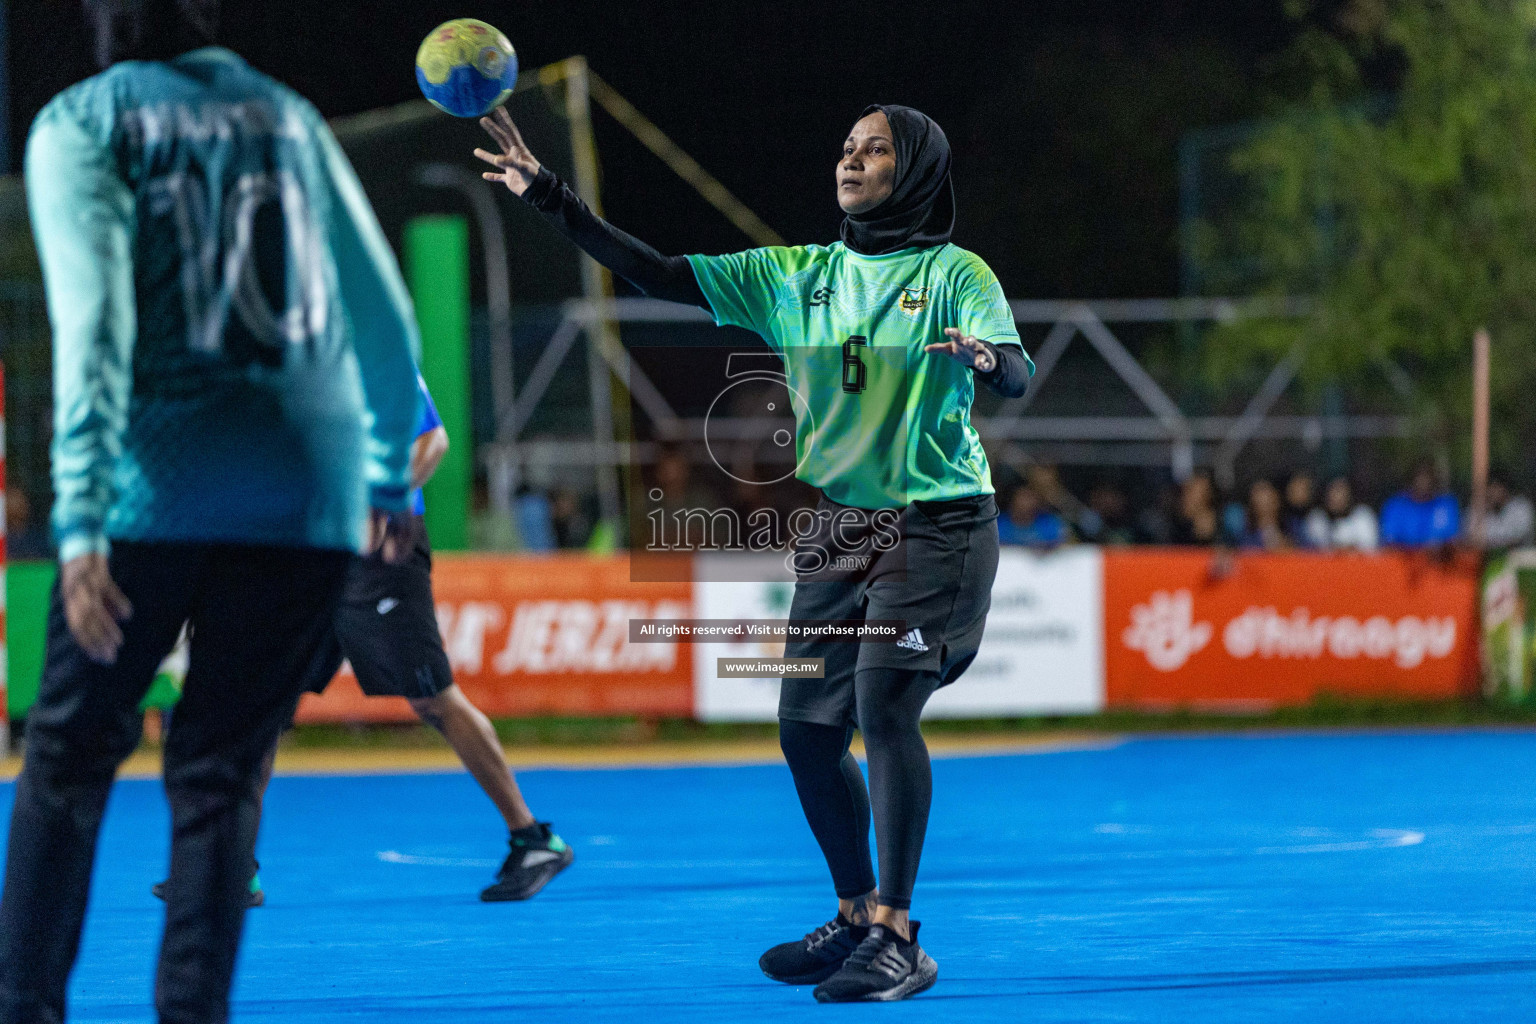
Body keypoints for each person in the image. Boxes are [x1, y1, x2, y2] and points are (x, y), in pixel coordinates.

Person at [477, 102, 1031, 1002]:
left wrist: (985, 359)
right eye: (846, 145)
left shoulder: (951, 272)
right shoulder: (794, 275)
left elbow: (1018, 367)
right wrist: (551, 197)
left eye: (875, 148)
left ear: (917, 168)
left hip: (938, 523)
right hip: (842, 525)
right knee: (807, 732)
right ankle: (856, 916)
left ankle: (899, 935)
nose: (851, 159)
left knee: (885, 709)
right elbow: (653, 273)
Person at [0, 5, 422, 1022]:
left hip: (156, 483)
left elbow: (95, 322)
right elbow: (385, 315)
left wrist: (86, 519)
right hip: (305, 498)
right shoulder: (288, 114)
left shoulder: (83, 118)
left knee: (66, 759)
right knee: (222, 776)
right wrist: (379, 485)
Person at [150, 373, 573, 908]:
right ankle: (234, 866)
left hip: (381, 551)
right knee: (259, 702)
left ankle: (534, 839)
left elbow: (432, 442)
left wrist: (378, 503)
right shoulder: (280, 358)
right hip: (309, 548)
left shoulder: (369, 344)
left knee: (432, 697)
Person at [1379, 462, 1460, 549]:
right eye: (1420, 477)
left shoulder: (1446, 505)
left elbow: (1453, 540)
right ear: (1411, 480)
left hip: (1437, 560)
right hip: (1402, 560)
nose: (1424, 482)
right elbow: (1389, 541)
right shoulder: (1396, 505)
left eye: (1428, 477)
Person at [1303, 476, 1379, 551]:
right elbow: (1310, 551)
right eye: (1332, 491)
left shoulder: (1363, 516)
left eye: (1340, 491)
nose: (1336, 497)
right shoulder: (1316, 519)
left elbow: (1371, 550)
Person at [996, 483, 1067, 548]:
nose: (1025, 503)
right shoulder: (998, 524)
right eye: (1021, 498)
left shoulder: (1049, 523)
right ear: (1012, 501)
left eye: (1029, 498)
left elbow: (1065, 545)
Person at [1478, 474, 1534, 549]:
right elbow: (1473, 539)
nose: (1490, 493)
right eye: (1488, 489)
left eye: (1494, 488)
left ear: (1503, 489)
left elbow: (1519, 539)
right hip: (1491, 557)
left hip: (1519, 556)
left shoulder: (1521, 507)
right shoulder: (1482, 511)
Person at [1236, 479, 1289, 550]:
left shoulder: (1292, 527)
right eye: (1260, 504)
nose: (1266, 509)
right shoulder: (1245, 536)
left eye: (1270, 502)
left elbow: (1306, 551)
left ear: (1277, 502)